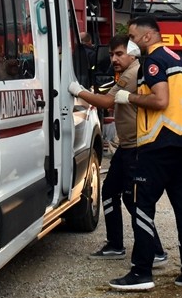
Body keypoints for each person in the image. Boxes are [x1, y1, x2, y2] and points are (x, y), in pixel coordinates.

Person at [106, 14, 182, 291]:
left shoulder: (153, 62)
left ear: (147, 36)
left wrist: (130, 97)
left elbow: (160, 100)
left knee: (142, 206)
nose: (131, 43)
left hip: (159, 144)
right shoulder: (179, 60)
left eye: (133, 37)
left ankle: (141, 272)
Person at [69, 35, 167, 267]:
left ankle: (155, 250)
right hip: (126, 146)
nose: (114, 59)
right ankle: (115, 244)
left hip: (136, 147)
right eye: (112, 54)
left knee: (133, 199)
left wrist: (78, 91)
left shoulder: (132, 73)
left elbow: (106, 102)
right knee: (110, 191)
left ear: (132, 53)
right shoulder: (127, 72)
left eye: (119, 54)